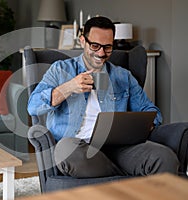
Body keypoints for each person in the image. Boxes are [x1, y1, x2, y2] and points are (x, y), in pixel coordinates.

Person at [27, 16, 179, 178]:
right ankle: (125, 178)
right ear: (82, 41)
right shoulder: (59, 70)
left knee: (164, 157)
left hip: (119, 147)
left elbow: (151, 111)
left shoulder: (123, 76)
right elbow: (33, 107)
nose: (101, 53)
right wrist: (68, 87)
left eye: (107, 47)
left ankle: (117, 177)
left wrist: (144, 124)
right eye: (95, 46)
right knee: (66, 150)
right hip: (78, 146)